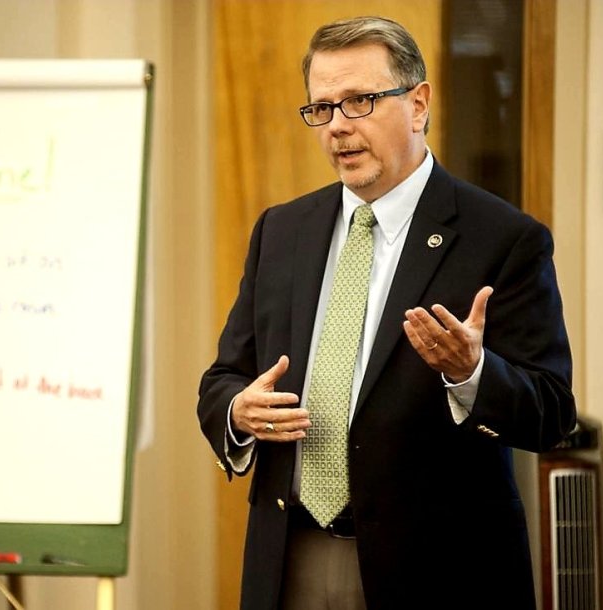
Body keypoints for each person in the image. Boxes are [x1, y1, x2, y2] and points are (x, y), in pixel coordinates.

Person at [197, 15, 575, 610]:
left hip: (435, 568)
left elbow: (551, 413)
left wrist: (471, 374)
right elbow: (222, 379)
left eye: (360, 102)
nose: (337, 128)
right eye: (321, 109)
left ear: (418, 103)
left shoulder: (503, 238)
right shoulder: (281, 230)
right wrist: (239, 412)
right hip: (289, 554)